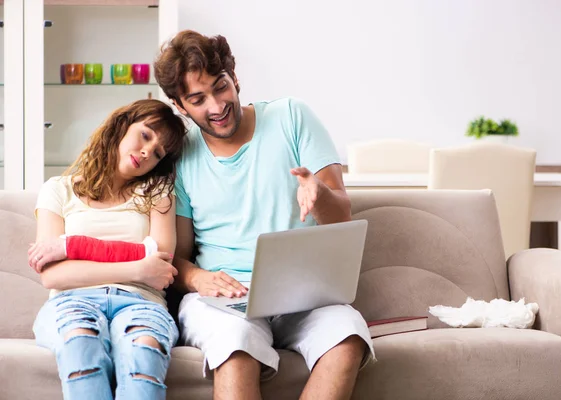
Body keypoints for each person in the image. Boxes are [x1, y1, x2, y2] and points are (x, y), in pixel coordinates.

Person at [154, 30, 375, 400]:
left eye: (220, 87)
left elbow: (342, 219)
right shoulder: (181, 157)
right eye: (198, 98)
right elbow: (178, 256)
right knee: (235, 344)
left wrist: (318, 194)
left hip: (305, 293)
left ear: (234, 78)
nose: (216, 105)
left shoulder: (292, 116)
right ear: (180, 106)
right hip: (224, 300)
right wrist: (197, 277)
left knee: (349, 334)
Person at [29, 99, 187, 400]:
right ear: (122, 125)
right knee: (80, 347)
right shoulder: (57, 190)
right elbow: (53, 276)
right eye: (145, 134)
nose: (146, 151)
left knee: (144, 355)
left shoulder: (158, 193)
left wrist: (72, 248)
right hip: (71, 302)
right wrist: (138, 267)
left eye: (157, 153)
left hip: (141, 302)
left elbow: (161, 263)